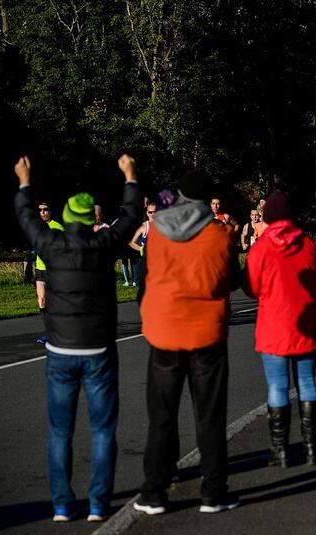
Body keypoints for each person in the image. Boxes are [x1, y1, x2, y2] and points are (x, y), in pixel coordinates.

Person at [14, 154, 142, 523]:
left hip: (60, 351)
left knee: (60, 432)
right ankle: (98, 504)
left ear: (67, 219)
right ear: (92, 220)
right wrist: (130, 175)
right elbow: (132, 215)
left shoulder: (51, 244)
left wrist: (25, 180)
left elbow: (25, 217)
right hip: (99, 350)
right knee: (102, 430)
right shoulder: (104, 245)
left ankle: (61, 505)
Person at [136, 169, 241, 516]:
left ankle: (154, 491)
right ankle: (214, 491)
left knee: (162, 415)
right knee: (209, 416)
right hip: (206, 334)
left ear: (180, 194)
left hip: (164, 331)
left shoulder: (159, 234)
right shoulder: (219, 236)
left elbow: (147, 276)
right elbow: (229, 283)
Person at [242, 191, 316, 467]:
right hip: (306, 322)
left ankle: (280, 451)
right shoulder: (307, 243)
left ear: (267, 217)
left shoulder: (261, 247)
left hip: (274, 323)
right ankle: (311, 447)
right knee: (307, 382)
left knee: (277, 387)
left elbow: (251, 287)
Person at [33, 200, 65, 344]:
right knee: (41, 300)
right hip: (40, 269)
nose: (43, 212)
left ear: (50, 211)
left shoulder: (57, 227)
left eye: (45, 209)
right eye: (40, 210)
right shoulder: (36, 227)